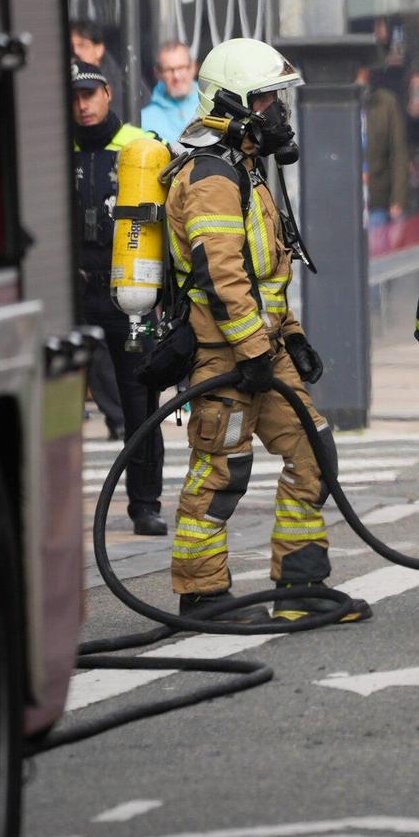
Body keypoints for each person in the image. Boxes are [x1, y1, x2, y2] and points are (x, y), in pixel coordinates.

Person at [163, 38, 371, 624]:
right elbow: (223, 274)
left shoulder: (246, 169)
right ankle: (203, 596)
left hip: (262, 349)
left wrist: (293, 336)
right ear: (232, 105)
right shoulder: (210, 176)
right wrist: (255, 349)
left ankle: (299, 586)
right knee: (220, 472)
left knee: (313, 450)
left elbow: (268, 274)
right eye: (269, 101)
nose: (280, 112)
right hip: (221, 355)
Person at [70, 59, 164, 536]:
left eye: (89, 94)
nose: (81, 105)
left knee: (140, 399)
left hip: (129, 291)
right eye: (73, 97)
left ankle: (145, 504)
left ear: (107, 93)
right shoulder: (54, 148)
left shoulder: (139, 148)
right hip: (72, 295)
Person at [360, 64, 409, 228]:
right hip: (346, 199)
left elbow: (399, 152)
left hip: (377, 199)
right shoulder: (337, 106)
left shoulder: (385, 103)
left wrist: (398, 199)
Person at [140, 40, 200, 143]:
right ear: (158, 74)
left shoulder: (211, 106)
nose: (176, 76)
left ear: (193, 68)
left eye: (181, 68)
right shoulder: (144, 120)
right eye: (169, 70)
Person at [71, 17, 123, 110]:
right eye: (70, 48)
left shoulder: (120, 83)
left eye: (82, 45)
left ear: (99, 49)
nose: (75, 51)